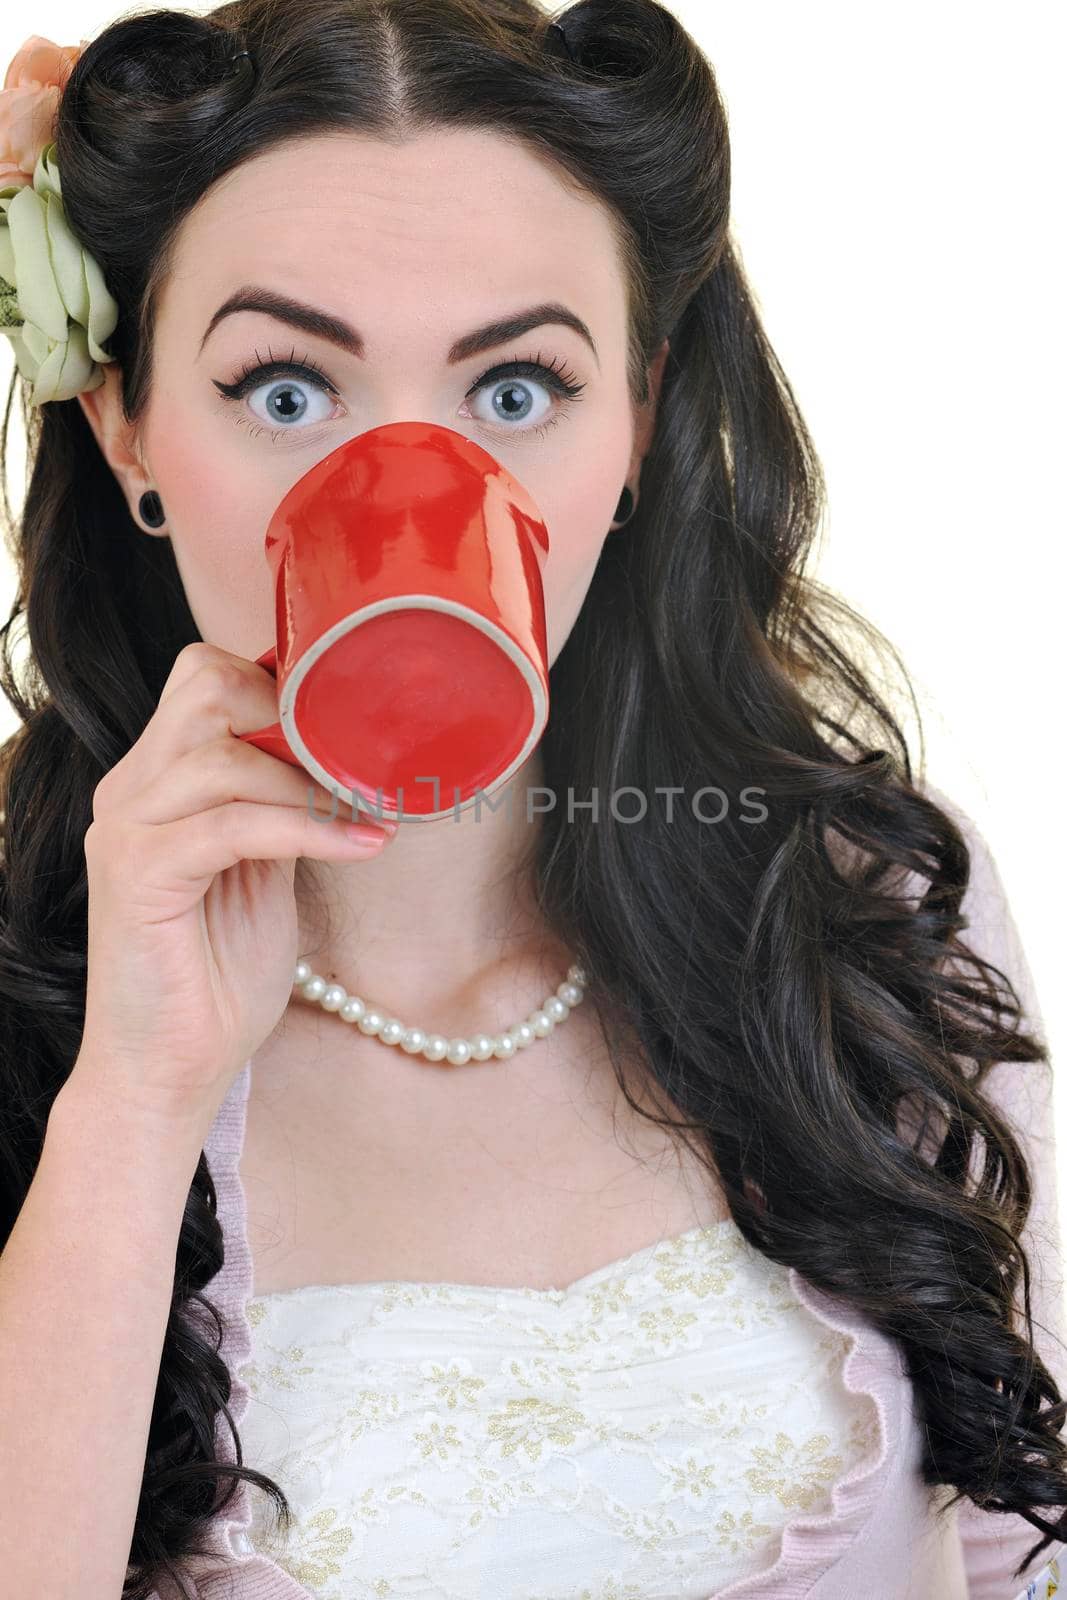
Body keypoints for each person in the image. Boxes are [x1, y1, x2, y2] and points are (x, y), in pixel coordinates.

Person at [0, 3, 1063, 1598]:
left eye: (515, 391)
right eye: (287, 390)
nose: (411, 481)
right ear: (130, 428)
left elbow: (1020, 1544)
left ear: (634, 428)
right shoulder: (34, 1005)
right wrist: (131, 1108)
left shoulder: (858, 905)